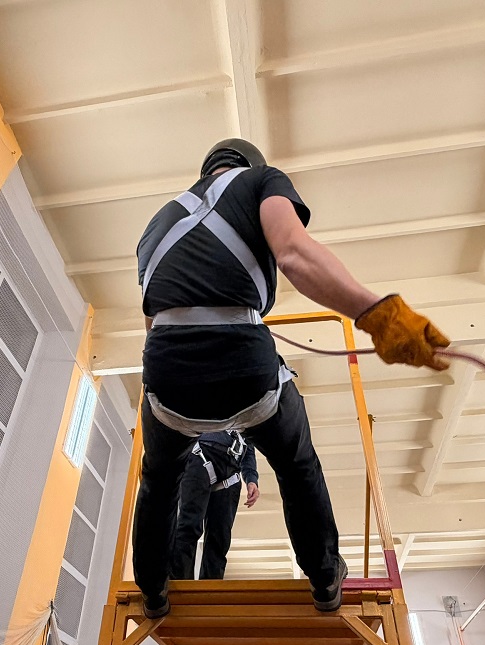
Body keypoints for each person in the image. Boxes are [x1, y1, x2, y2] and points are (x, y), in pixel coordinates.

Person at [134, 137, 450, 618]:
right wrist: (377, 315)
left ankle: (154, 591)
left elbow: (153, 322)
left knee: (158, 479)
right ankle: (324, 577)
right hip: (244, 369)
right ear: (249, 165)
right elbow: (294, 254)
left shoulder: (155, 224)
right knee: (296, 462)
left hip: (165, 380)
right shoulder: (262, 181)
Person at [170, 430, 259, 580]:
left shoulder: (246, 421)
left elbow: (249, 446)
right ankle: (180, 583)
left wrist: (251, 479)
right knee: (190, 525)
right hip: (201, 454)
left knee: (220, 538)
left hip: (232, 472)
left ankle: (211, 587)